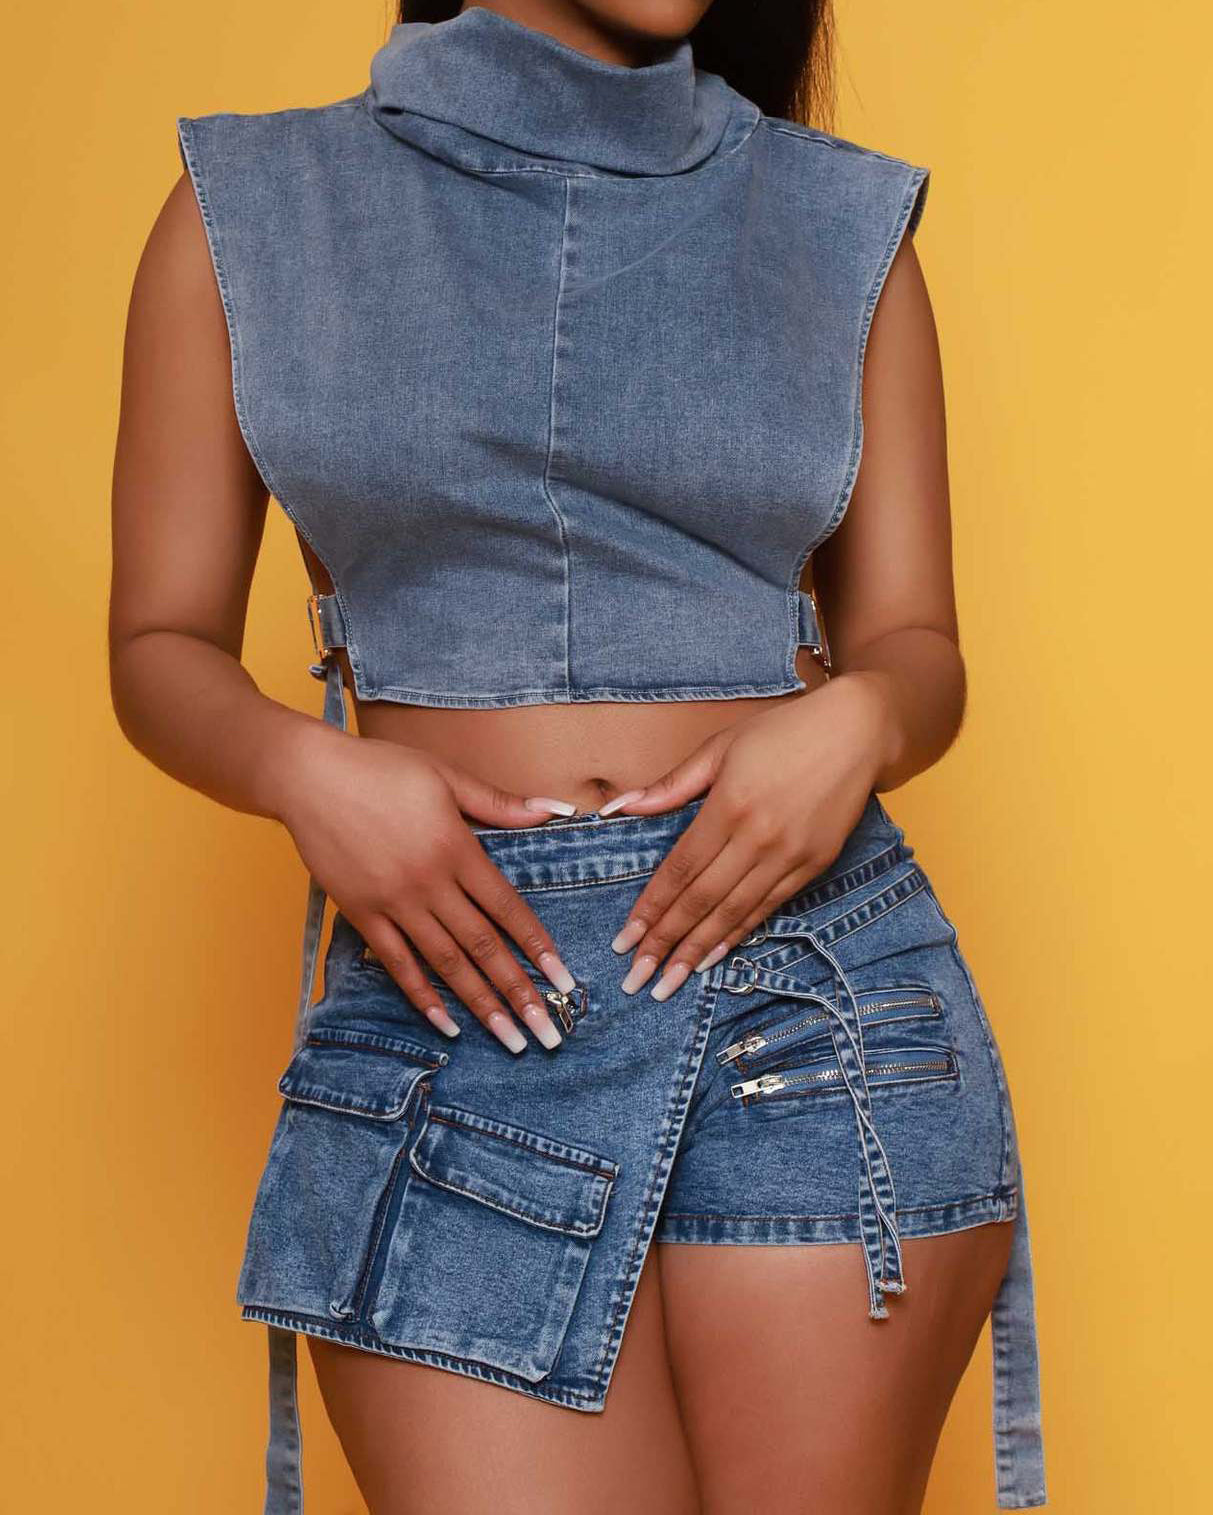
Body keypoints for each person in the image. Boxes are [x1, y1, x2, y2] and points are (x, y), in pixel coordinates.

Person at [109, 3, 1046, 1510]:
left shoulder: (837, 217)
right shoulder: (252, 205)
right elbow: (159, 643)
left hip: (809, 985)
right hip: (455, 988)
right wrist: (303, 772)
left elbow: (917, 646)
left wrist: (862, 720)